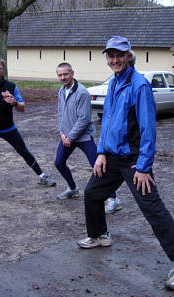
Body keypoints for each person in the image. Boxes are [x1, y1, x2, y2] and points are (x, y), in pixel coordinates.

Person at [77, 36, 174, 290]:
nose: (115, 60)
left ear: (129, 56)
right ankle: (100, 235)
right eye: (110, 56)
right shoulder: (115, 83)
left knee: (152, 208)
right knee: (92, 194)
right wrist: (100, 152)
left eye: (119, 55)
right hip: (111, 156)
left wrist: (143, 167)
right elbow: (107, 122)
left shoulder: (139, 85)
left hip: (133, 160)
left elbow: (148, 130)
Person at [0, 57, 55, 195]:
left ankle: (42, 176)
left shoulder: (11, 87)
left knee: (23, 151)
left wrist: (14, 103)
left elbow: (22, 108)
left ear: (3, 70)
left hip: (8, 128)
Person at [54, 62, 120, 213]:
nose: (63, 77)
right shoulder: (61, 90)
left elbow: (84, 119)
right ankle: (72, 188)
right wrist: (62, 133)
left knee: (97, 165)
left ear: (72, 73)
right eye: (60, 75)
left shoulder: (82, 92)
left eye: (66, 74)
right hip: (67, 136)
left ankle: (113, 199)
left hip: (83, 137)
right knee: (59, 162)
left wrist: (70, 137)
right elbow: (60, 113)